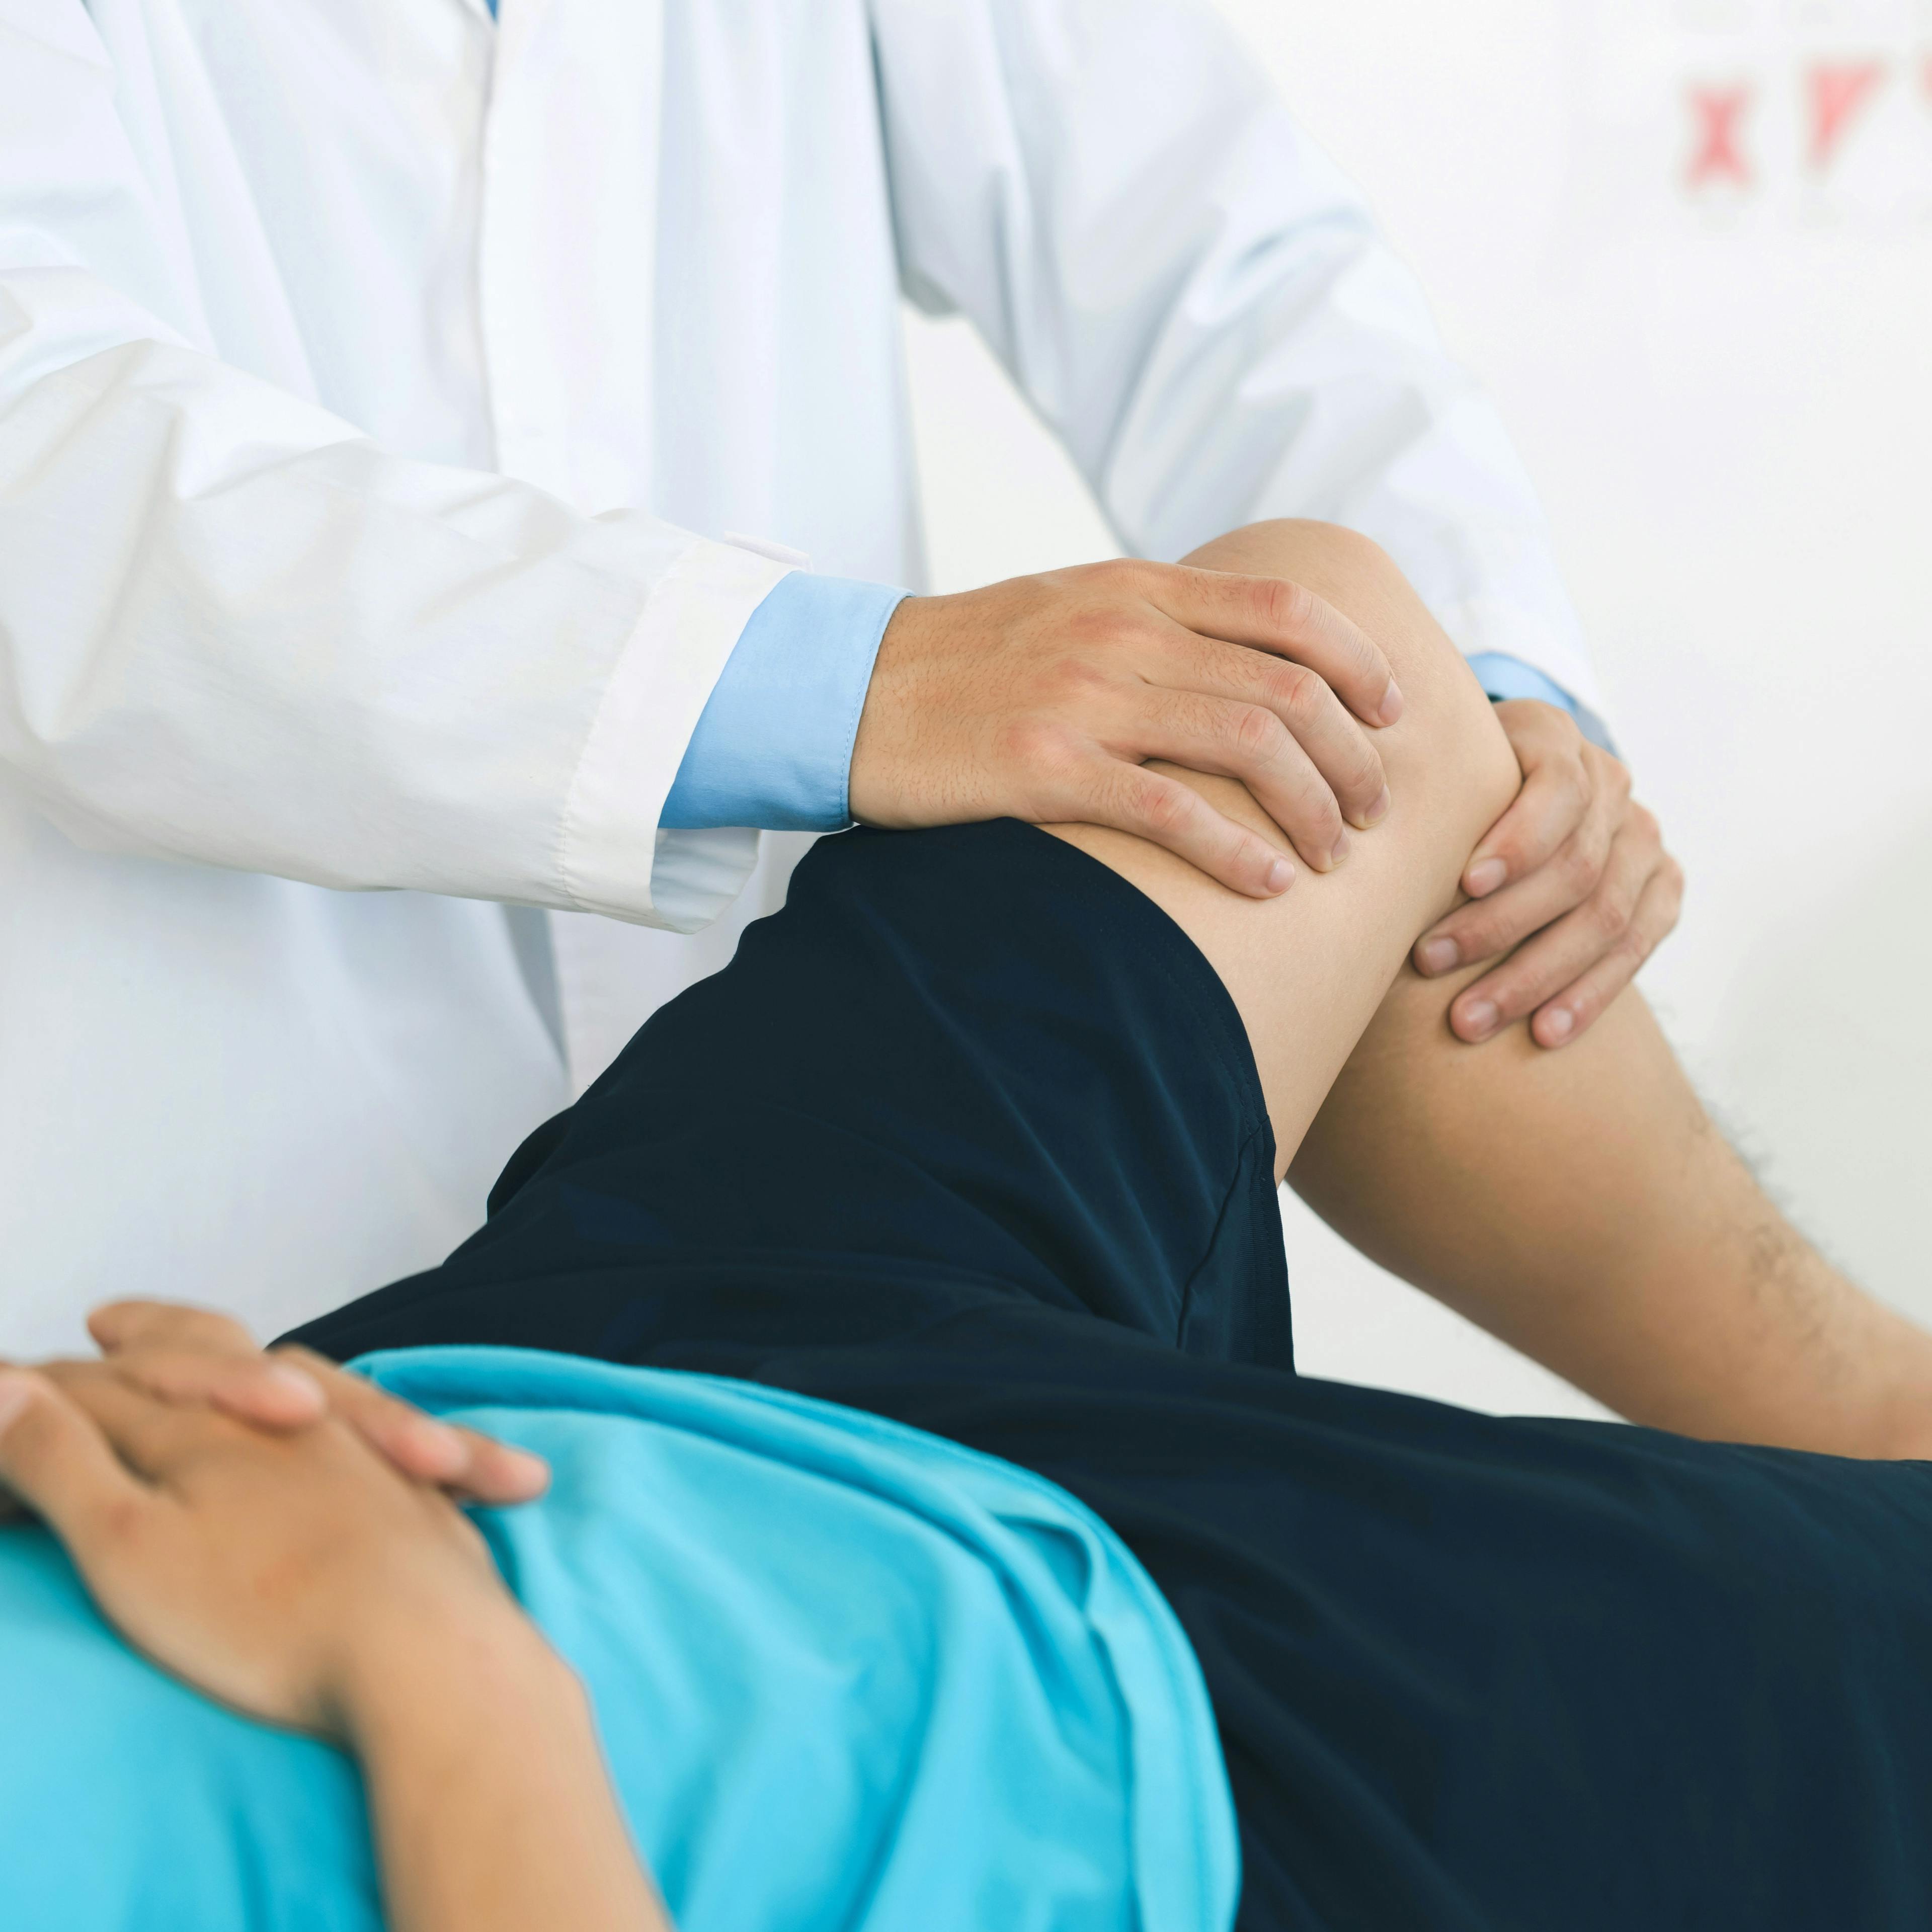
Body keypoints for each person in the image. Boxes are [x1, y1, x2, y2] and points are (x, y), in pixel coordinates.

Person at [5, 520, 1925, 1929]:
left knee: (1310, 689)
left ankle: (1875, 1394)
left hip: (532, 1382)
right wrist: (425, 1665)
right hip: (1055, 1784)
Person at [1, 0, 1679, 1355]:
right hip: (196, 1295)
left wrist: (1490, 713)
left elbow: (1219, 254)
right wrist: (854, 680)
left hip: (818, 1243)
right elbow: (52, 475)